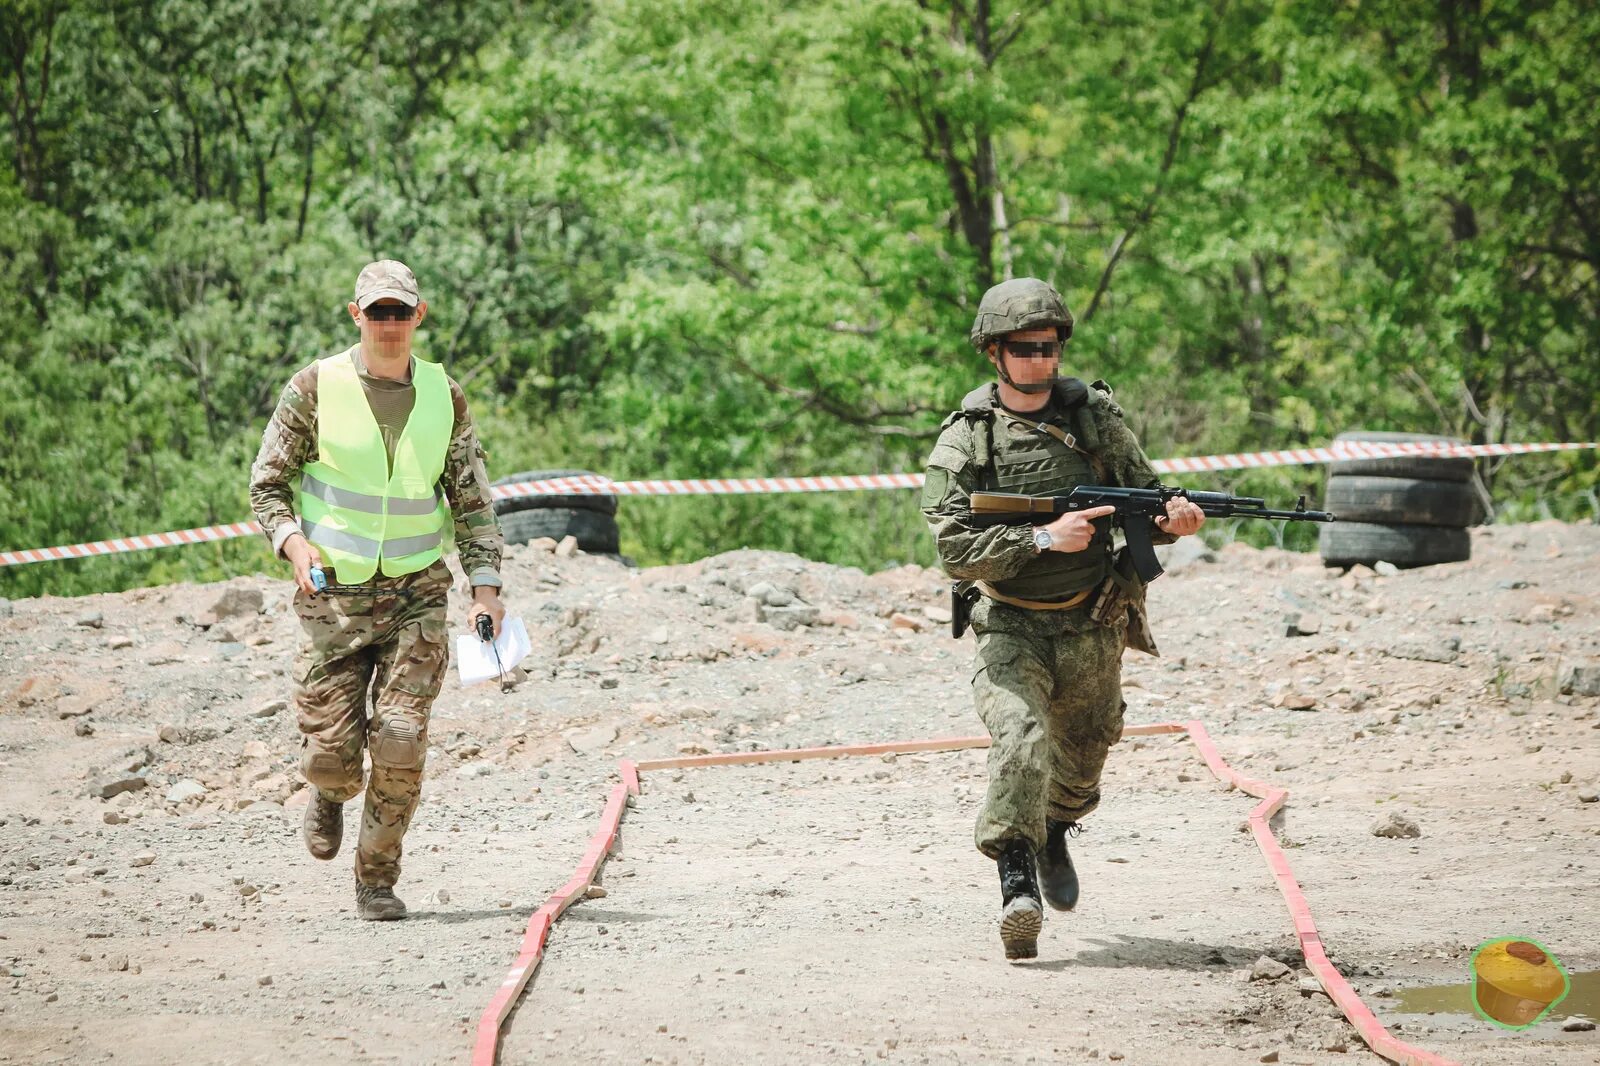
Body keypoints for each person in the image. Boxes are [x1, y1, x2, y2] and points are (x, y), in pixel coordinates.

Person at [921, 277, 1205, 960]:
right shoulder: (968, 442)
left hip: (1092, 621)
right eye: (1025, 348)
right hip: (1011, 623)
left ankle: (1054, 828)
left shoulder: (1096, 422)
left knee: (1085, 756)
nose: (1042, 360)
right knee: (1020, 742)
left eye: (1050, 346)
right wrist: (1044, 538)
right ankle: (1016, 880)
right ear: (994, 353)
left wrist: (1172, 520)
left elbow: (1143, 502)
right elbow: (952, 550)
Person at [249, 260, 506, 920]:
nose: (390, 324)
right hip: (334, 599)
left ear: (418, 316)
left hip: (417, 592)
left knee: (400, 737)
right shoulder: (314, 387)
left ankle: (376, 879)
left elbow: (471, 499)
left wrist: (485, 586)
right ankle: (329, 792)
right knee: (336, 758)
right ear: (356, 315)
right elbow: (267, 486)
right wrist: (293, 544)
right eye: (378, 312)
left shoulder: (444, 396)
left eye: (401, 312)